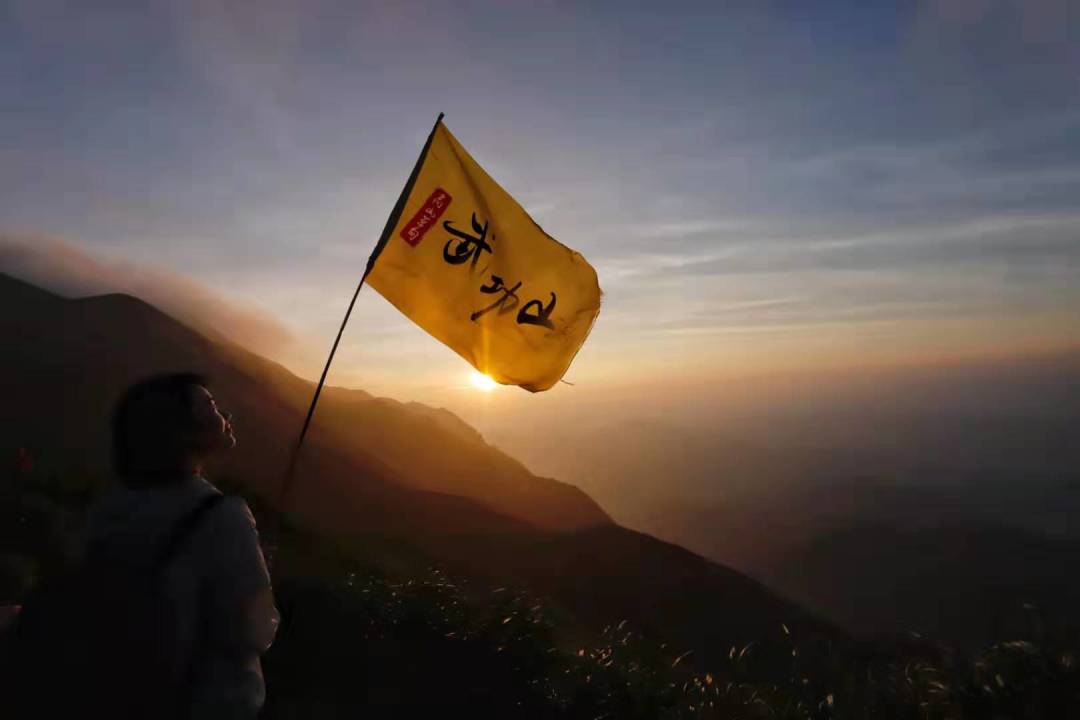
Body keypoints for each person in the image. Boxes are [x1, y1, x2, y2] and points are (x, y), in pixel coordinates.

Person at [82, 373, 279, 718]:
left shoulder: (108, 505)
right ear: (182, 431)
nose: (225, 415)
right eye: (211, 406)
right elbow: (254, 631)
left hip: (118, 690)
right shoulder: (223, 515)